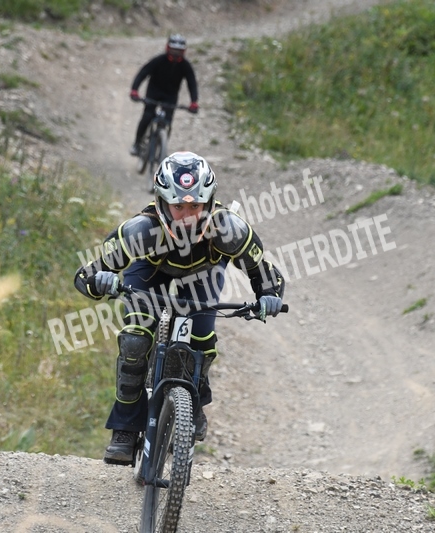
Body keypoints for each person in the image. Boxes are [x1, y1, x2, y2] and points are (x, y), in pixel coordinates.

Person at [73, 151, 285, 465]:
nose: (187, 216)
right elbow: (86, 275)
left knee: (202, 336)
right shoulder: (140, 231)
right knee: (135, 339)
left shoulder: (229, 230)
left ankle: (194, 402)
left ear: (210, 203)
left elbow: (264, 273)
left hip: (204, 273)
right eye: (178, 206)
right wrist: (101, 281)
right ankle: (124, 429)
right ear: (161, 203)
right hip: (150, 270)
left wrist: (269, 296)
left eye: (195, 206)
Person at [128, 34, 199, 156]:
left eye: (179, 52)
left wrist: (194, 101)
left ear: (183, 52)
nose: (175, 54)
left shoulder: (185, 66)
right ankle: (137, 144)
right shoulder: (159, 60)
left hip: (170, 96)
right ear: (168, 48)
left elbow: (191, 83)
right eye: (173, 51)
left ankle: (161, 147)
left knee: (168, 122)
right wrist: (134, 90)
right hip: (153, 92)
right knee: (147, 116)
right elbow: (143, 73)